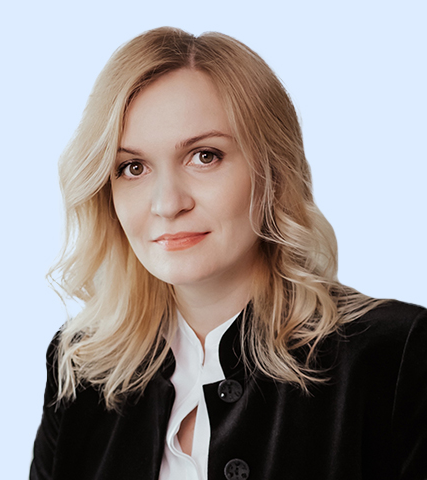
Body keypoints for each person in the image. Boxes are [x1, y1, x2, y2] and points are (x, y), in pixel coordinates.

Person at [30, 27, 427, 480]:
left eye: (205, 156)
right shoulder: (81, 369)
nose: (167, 204)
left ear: (273, 171)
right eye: (133, 167)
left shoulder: (396, 357)